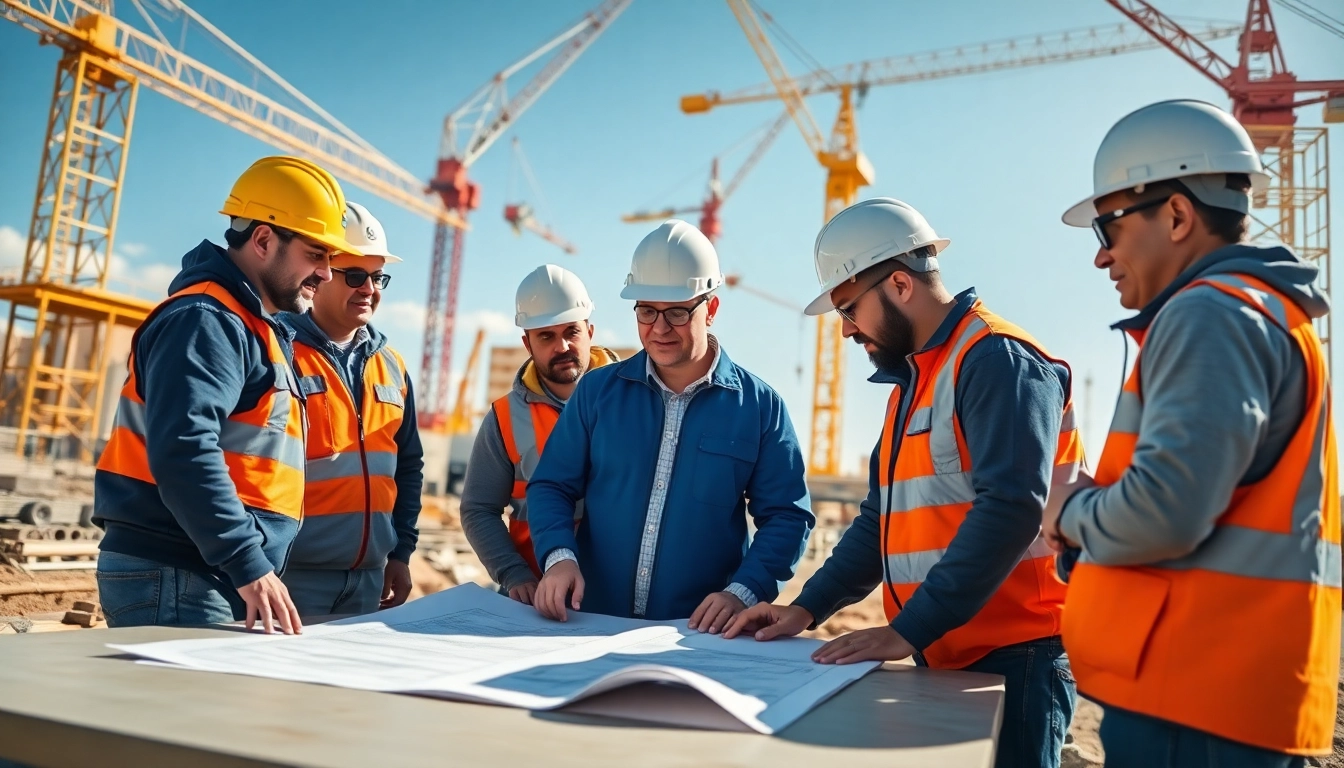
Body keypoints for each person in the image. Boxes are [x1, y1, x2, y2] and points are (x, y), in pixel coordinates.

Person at [725, 198, 1084, 768]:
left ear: (899, 283)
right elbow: (879, 522)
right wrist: (807, 608)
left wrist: (908, 629)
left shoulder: (997, 360)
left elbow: (1013, 508)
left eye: (849, 309)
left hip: (1020, 658)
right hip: (945, 650)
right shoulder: (913, 386)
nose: (845, 331)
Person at [1042, 99, 1339, 768]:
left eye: (1107, 227)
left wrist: (1069, 513)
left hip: (1196, 702)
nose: (1100, 256)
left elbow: (1166, 512)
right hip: (1216, 693)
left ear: (1177, 215)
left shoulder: (1208, 315)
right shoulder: (1257, 313)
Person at [95, 155, 361, 634]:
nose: (325, 274)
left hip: (204, 569)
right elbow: (184, 449)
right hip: (183, 571)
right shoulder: (207, 320)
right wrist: (248, 562)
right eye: (316, 254)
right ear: (263, 240)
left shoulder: (252, 325)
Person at [527, 220, 814, 627]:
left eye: (677, 312)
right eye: (646, 311)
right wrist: (558, 558)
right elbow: (552, 485)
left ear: (710, 309)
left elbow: (788, 516)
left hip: (696, 635)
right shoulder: (596, 393)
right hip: (589, 620)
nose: (659, 328)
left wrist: (743, 591)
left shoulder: (760, 408)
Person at [280, 202, 424, 617]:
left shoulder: (392, 366)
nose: (369, 289)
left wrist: (401, 551)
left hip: (369, 580)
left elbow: (407, 465)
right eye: (356, 275)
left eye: (378, 277)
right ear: (318, 275)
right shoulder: (277, 351)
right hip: (290, 576)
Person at [460, 265, 619, 605]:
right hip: (540, 599)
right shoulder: (504, 418)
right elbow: (478, 509)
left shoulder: (634, 400)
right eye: (546, 336)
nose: (562, 345)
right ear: (527, 343)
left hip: (621, 599)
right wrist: (514, 574)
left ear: (590, 331)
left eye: (571, 332)